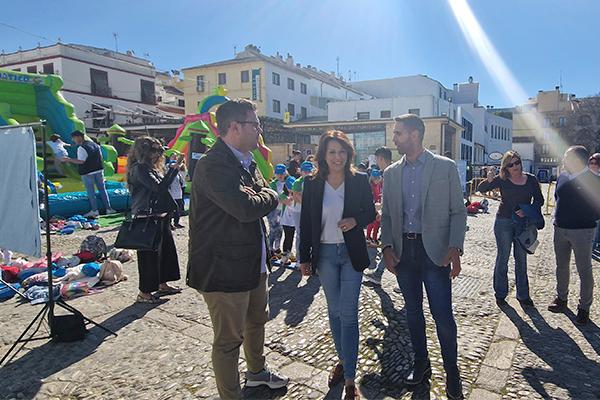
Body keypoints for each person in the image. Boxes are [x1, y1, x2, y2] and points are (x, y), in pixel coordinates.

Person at [186, 99, 288, 399]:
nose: (259, 131)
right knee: (229, 339)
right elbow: (245, 207)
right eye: (255, 125)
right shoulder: (213, 164)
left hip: (252, 262)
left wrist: (260, 194)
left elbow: (257, 195)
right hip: (223, 267)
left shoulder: (248, 160)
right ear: (234, 127)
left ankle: (256, 374)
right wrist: (267, 195)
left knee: (257, 321)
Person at [380, 114, 467, 400]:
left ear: (415, 134)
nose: (393, 138)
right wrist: (387, 248)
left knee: (443, 314)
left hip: (436, 252)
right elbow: (389, 215)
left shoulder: (444, 167)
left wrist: (455, 248)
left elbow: (458, 210)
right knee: (413, 313)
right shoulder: (391, 173)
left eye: (398, 133)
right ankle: (421, 363)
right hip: (405, 252)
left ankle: (452, 370)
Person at [299, 130, 376, 400]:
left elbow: (371, 212)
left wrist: (355, 220)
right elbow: (306, 223)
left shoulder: (359, 180)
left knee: (349, 313)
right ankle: (343, 360)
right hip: (326, 256)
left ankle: (351, 379)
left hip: (351, 254)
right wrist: (304, 258)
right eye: (332, 152)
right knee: (334, 311)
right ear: (323, 154)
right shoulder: (312, 183)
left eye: (342, 151)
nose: (337, 157)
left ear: (349, 154)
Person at [478, 150, 543, 308]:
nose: (515, 166)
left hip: (523, 224)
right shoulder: (503, 179)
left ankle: (523, 295)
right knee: (503, 258)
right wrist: (489, 179)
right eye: (511, 164)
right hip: (504, 222)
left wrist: (527, 209)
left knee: (521, 260)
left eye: (517, 162)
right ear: (505, 167)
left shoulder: (531, 179)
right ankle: (500, 293)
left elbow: (539, 200)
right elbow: (482, 189)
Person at [547, 146, 600, 325]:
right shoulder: (563, 176)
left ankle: (584, 308)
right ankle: (561, 299)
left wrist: (586, 218)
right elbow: (557, 197)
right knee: (561, 266)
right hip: (560, 229)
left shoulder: (594, 180)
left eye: (567, 157)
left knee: (584, 270)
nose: (564, 160)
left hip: (582, 231)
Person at [126, 136, 183, 303]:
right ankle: (144, 292)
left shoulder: (150, 168)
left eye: (160, 150)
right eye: (155, 150)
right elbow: (158, 187)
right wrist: (173, 170)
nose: (158, 154)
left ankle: (162, 283)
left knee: (166, 251)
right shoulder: (140, 169)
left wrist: (173, 169)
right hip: (147, 215)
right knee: (148, 257)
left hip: (160, 214)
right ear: (144, 151)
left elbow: (162, 186)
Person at [64, 131, 116, 218]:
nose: (73, 140)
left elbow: (81, 161)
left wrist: (68, 159)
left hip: (87, 172)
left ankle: (94, 210)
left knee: (91, 192)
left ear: (79, 137)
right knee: (102, 190)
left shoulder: (81, 148)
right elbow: (101, 157)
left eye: (74, 138)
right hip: (98, 170)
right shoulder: (95, 145)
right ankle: (109, 208)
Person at [363, 146, 393, 286]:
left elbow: (392, 198)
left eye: (376, 159)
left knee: (390, 249)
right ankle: (378, 274)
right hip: (391, 218)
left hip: (392, 220)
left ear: (380, 158)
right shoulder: (390, 172)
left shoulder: (389, 173)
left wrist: (381, 211)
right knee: (390, 249)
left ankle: (379, 274)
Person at [267, 164, 288, 258]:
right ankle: (270, 249)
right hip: (273, 210)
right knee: (273, 229)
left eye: (282, 173)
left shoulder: (288, 182)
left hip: (283, 210)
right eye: (278, 173)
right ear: (275, 174)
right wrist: (286, 199)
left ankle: (277, 248)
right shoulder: (273, 184)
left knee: (280, 230)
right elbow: (276, 198)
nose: (280, 176)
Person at [280, 176, 297, 265]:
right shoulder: (283, 194)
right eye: (289, 187)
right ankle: (284, 257)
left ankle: (288, 254)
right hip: (286, 220)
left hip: (293, 220)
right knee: (287, 237)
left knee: (291, 237)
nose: (290, 189)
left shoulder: (296, 193)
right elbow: (287, 202)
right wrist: (292, 197)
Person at [168, 154, 187, 229]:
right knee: (170, 210)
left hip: (178, 193)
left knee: (178, 209)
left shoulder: (178, 173)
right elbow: (173, 165)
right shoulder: (169, 166)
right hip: (171, 193)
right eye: (173, 156)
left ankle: (176, 222)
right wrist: (179, 161)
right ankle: (169, 224)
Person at [366, 169, 383, 245]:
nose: (378, 180)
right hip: (372, 207)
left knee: (377, 224)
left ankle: (374, 238)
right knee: (372, 223)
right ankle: (368, 237)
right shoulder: (370, 186)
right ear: (373, 178)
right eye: (377, 179)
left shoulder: (378, 185)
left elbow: (379, 193)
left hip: (378, 206)